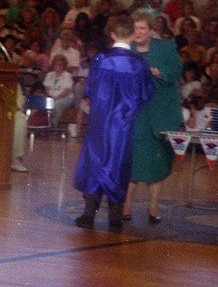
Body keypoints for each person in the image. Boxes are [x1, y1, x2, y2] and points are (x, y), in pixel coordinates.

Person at [73, 15, 155, 229]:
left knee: (95, 162)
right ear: (132, 35)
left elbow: (89, 90)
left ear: (112, 34)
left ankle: (88, 215)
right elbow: (146, 94)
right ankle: (115, 218)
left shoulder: (101, 59)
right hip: (123, 124)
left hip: (99, 120)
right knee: (118, 164)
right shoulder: (139, 63)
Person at [122, 11, 183, 223]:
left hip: (161, 114)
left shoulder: (166, 47)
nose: (138, 33)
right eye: (135, 28)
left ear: (150, 30)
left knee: (158, 162)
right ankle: (126, 206)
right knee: (131, 161)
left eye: (142, 28)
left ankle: (153, 207)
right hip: (133, 113)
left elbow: (176, 72)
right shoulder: (124, 49)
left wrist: (156, 72)